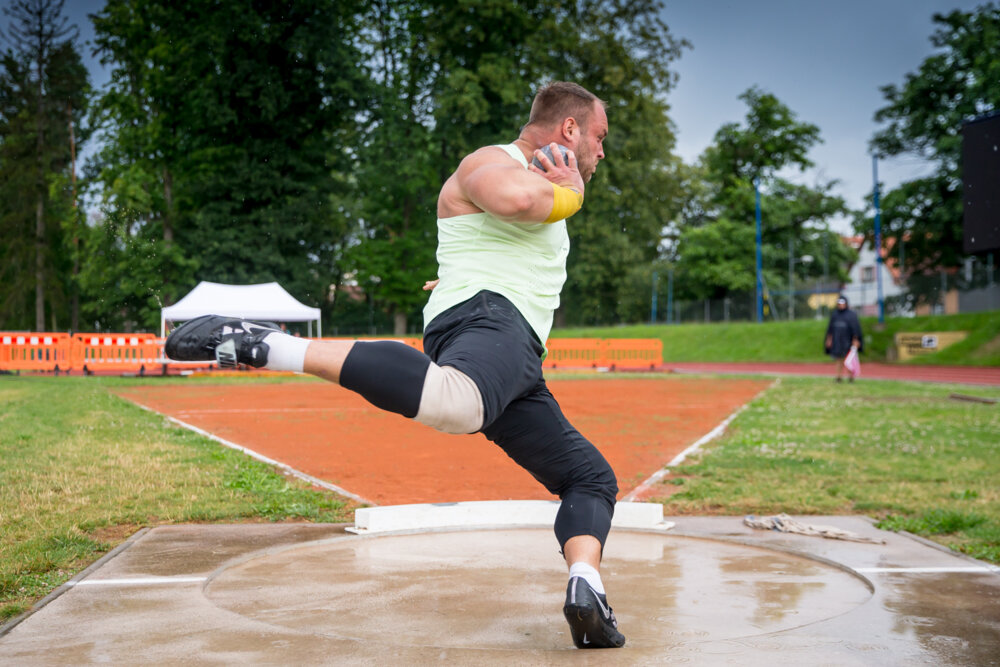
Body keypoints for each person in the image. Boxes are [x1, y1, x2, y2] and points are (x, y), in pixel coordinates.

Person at [164, 81, 625, 649]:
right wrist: (572, 193)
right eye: (599, 137)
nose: (602, 152)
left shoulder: (540, 177)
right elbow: (515, 202)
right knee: (457, 405)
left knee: (590, 478)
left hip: (515, 351)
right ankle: (266, 344)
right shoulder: (492, 161)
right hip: (491, 320)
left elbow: (497, 239)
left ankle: (587, 587)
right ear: (570, 129)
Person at [824, 295, 863, 382]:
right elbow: (830, 329)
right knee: (838, 359)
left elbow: (856, 328)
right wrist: (829, 339)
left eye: (842, 303)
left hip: (848, 341)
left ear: (846, 304)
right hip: (837, 340)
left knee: (849, 359)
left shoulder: (851, 315)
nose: (841, 305)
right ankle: (838, 377)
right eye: (839, 304)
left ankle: (851, 378)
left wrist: (855, 339)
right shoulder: (835, 315)